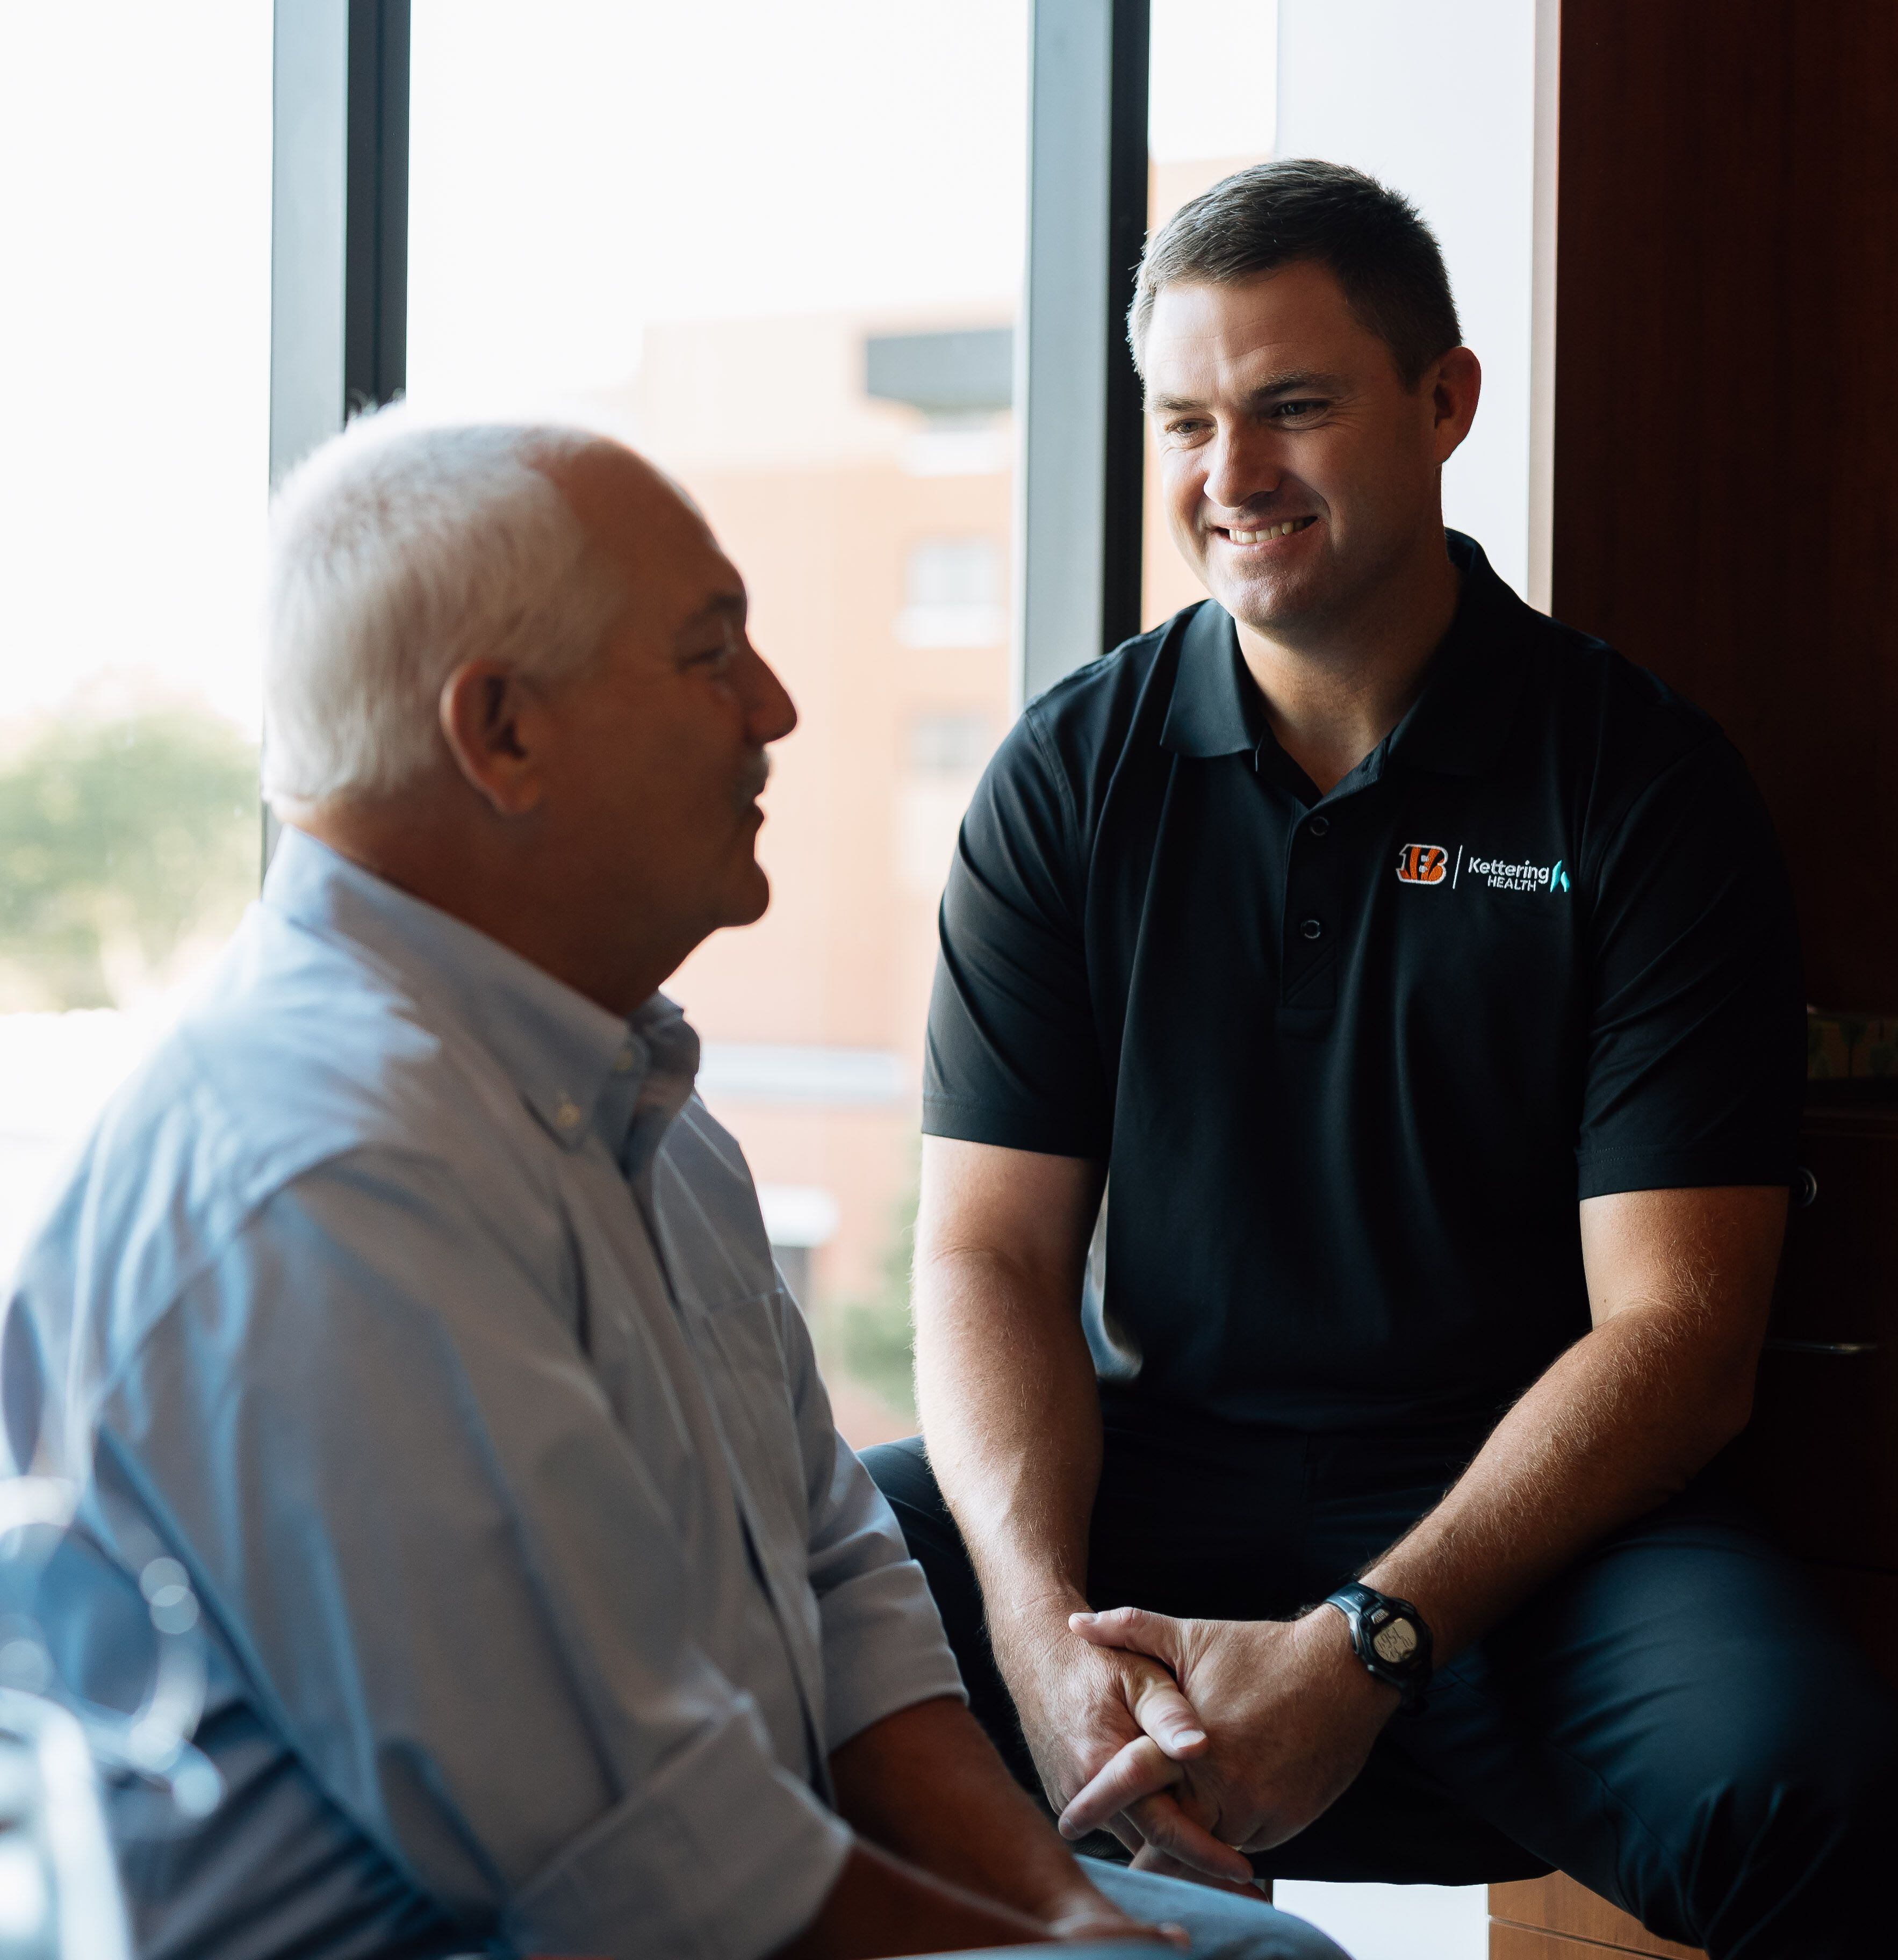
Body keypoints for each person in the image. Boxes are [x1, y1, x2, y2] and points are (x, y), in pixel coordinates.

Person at [0, 414, 1344, 1960]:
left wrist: (1059, 1911)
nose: (775, 706)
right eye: (714, 654)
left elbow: (839, 1587)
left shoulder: (637, 1109)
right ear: (500, 730)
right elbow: (651, 1882)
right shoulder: (331, 1182)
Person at [864, 160, 1898, 1956]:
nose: (1230, 478)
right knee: (744, 1601)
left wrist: (1365, 1642)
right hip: (1169, 1482)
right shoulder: (1069, 779)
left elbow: (1679, 1338)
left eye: (1293, 405)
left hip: (1539, 1531)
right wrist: (1044, 1641)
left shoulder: (1639, 785)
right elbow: (985, 1253)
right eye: (1189, 421)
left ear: (1444, 402)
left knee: (1832, 1806)